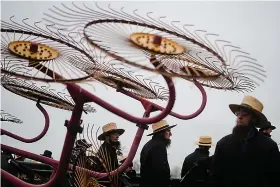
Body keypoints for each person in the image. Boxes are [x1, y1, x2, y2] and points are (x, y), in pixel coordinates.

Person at [212, 95, 280, 187]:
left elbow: (275, 178)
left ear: (254, 119)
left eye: (245, 114)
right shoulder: (223, 143)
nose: (239, 117)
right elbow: (215, 177)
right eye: (238, 113)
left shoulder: (269, 146)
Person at [140, 120, 176, 187]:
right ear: (162, 133)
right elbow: (160, 171)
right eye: (168, 131)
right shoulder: (159, 146)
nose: (171, 134)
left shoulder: (148, 144)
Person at [92, 122, 125, 187]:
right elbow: (106, 169)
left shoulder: (111, 148)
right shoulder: (105, 149)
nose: (118, 136)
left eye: (118, 134)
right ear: (107, 136)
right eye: (115, 134)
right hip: (106, 182)